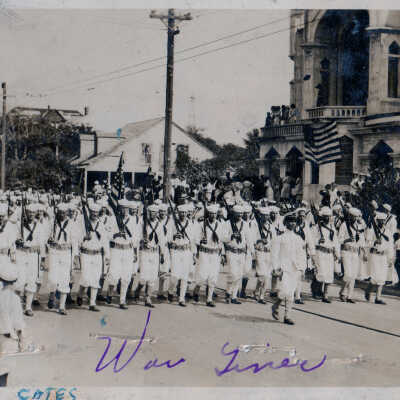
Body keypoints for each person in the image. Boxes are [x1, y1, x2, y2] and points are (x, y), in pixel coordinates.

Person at [105, 199, 141, 309]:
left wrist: (135, 253)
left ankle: (122, 300)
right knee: (114, 275)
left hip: (128, 250)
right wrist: (115, 235)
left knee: (126, 276)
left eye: (126, 208)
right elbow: (107, 235)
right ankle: (110, 292)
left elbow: (136, 238)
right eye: (122, 208)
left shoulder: (134, 220)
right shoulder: (113, 219)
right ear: (119, 208)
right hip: (116, 249)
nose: (124, 211)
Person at [271, 212, 305, 325]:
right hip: (283, 268)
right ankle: (276, 305)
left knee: (291, 292)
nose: (292, 223)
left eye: (294, 221)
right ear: (285, 223)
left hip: (295, 268)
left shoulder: (298, 238)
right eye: (290, 221)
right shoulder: (279, 238)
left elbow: (301, 254)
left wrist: (302, 268)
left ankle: (287, 316)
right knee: (285, 291)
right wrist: (276, 268)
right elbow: (274, 254)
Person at [46, 203, 80, 315]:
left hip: (66, 252)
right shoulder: (52, 222)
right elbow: (46, 237)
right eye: (60, 212)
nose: (62, 214)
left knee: (65, 278)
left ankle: (62, 306)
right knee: (52, 277)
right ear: (57, 212)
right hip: (55, 251)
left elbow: (75, 242)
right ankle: (52, 295)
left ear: (67, 213)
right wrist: (49, 241)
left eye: (64, 213)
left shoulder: (72, 224)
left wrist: (74, 256)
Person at [76, 203, 110, 312]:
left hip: (97, 255)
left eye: (96, 212)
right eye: (92, 212)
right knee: (85, 277)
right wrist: (84, 237)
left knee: (95, 278)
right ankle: (80, 294)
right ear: (89, 212)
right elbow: (77, 239)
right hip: (86, 253)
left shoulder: (101, 225)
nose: (94, 214)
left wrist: (107, 255)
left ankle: (92, 303)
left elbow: (105, 241)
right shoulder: (83, 223)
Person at [193, 204, 225, 307]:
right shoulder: (201, 224)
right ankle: (196, 289)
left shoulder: (220, 225)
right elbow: (195, 238)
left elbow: (221, 241)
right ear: (208, 214)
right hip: (204, 252)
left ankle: (209, 299)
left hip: (215, 253)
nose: (213, 215)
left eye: (214, 214)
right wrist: (200, 241)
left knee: (213, 277)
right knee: (202, 275)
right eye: (211, 213)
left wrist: (223, 253)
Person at [0, 264, 26, 386]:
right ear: (15, 282)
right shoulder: (14, 299)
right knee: (4, 371)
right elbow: (18, 323)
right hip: (8, 339)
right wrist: (21, 339)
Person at [167, 204, 198, 307]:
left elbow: (193, 240)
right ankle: (171, 291)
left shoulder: (190, 224)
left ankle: (181, 298)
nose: (183, 214)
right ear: (178, 213)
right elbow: (168, 238)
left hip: (186, 251)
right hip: (176, 251)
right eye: (181, 213)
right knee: (174, 275)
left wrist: (194, 254)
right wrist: (174, 237)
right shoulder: (172, 223)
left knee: (185, 275)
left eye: (185, 213)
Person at [310, 207, 340, 303]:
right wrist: (318, 241)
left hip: (329, 253)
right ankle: (315, 290)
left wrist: (337, 253)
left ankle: (325, 295)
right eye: (325, 217)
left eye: (329, 217)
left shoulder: (332, 228)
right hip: (320, 253)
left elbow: (336, 242)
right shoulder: (317, 228)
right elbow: (311, 240)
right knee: (320, 272)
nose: (327, 218)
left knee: (328, 274)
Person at [364, 212, 394, 305]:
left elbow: (390, 246)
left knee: (382, 277)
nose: (382, 222)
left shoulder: (388, 232)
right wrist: (374, 242)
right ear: (376, 221)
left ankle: (378, 297)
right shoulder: (372, 230)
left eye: (383, 221)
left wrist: (390, 258)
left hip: (383, 256)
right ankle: (368, 290)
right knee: (375, 276)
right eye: (379, 221)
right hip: (375, 256)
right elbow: (367, 242)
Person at [337, 208, 366, 303]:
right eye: (353, 216)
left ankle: (349, 296)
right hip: (346, 251)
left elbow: (361, 241)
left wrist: (364, 252)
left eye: (356, 216)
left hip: (355, 253)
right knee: (347, 274)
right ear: (349, 216)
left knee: (353, 275)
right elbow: (339, 240)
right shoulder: (344, 225)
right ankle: (342, 292)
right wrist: (346, 240)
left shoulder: (359, 226)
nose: (355, 218)